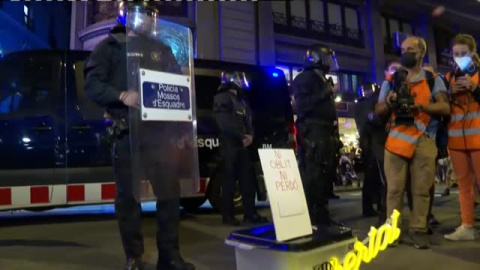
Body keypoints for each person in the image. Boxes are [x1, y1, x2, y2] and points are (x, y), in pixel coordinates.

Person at [84, 2, 195, 270]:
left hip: (159, 134)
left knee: (169, 194)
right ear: (129, 15)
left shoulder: (161, 49)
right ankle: (134, 257)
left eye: (151, 15)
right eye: (143, 13)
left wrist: (181, 131)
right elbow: (93, 84)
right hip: (127, 132)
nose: (147, 19)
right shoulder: (110, 46)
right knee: (129, 198)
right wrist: (120, 96)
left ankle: (170, 256)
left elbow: (177, 91)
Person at [375, 36, 450, 249]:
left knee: (421, 189)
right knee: (394, 190)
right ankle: (392, 231)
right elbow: (379, 110)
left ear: (421, 54)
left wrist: (422, 107)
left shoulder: (433, 79)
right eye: (403, 49)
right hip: (396, 140)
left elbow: (445, 108)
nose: (406, 52)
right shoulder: (391, 81)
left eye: (410, 49)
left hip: (424, 139)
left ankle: (418, 230)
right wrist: (388, 102)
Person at [292, 45, 339, 226]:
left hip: (325, 131)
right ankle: (312, 216)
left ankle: (322, 213)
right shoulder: (304, 78)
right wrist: (325, 92)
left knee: (324, 175)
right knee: (313, 175)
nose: (329, 63)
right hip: (313, 131)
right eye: (327, 58)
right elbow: (302, 105)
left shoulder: (321, 78)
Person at [213, 71, 268, 226]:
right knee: (229, 182)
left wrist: (250, 135)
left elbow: (249, 122)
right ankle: (227, 216)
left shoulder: (242, 100)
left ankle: (250, 214)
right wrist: (241, 137)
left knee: (247, 181)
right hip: (230, 146)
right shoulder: (222, 97)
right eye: (238, 79)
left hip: (243, 146)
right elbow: (223, 124)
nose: (241, 81)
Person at [443, 34, 480, 241]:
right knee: (464, 186)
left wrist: (475, 89)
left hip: (478, 138)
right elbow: (442, 108)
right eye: (456, 54)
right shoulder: (449, 78)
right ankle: (467, 227)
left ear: (473, 54)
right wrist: (449, 93)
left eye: (464, 54)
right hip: (456, 140)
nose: (459, 57)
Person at [354, 83, 384, 218]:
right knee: (374, 176)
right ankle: (372, 206)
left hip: (368, 143)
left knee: (373, 176)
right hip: (372, 143)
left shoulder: (360, 105)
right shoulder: (369, 103)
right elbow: (371, 121)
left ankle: (373, 205)